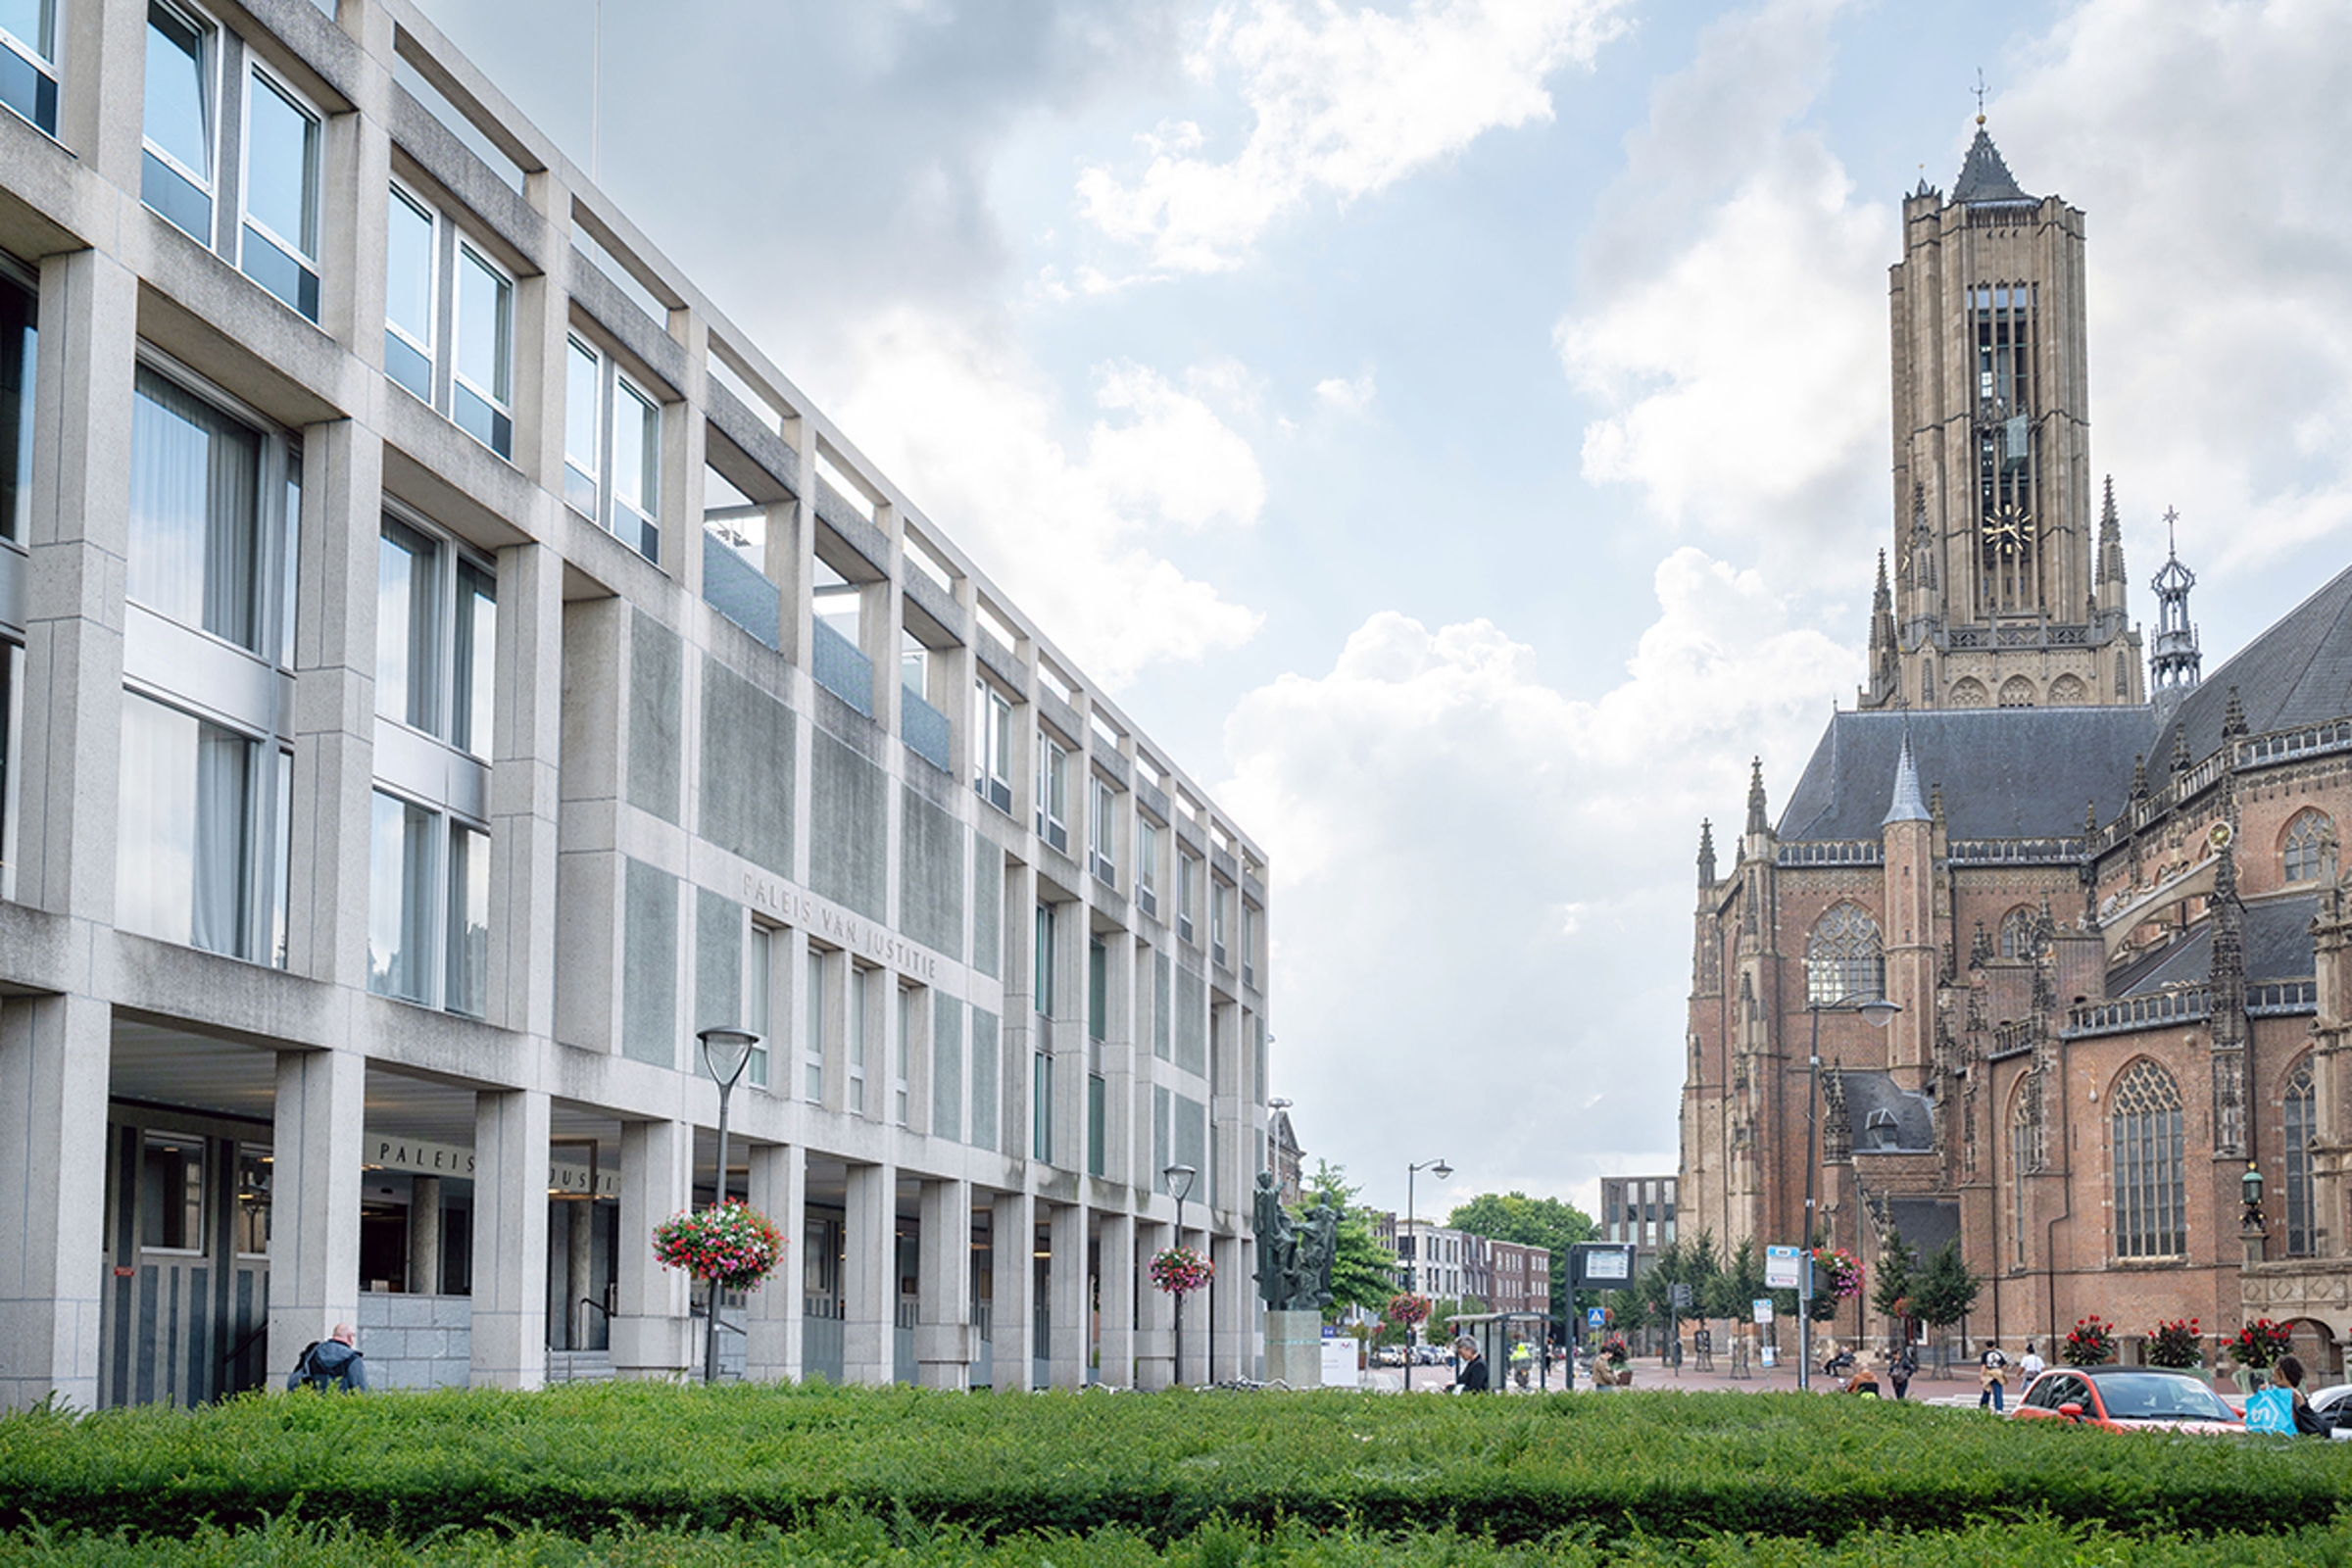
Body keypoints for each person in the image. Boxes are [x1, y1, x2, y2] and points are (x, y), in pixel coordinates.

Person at [287, 1323, 369, 1393]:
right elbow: (362, 1391)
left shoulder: (313, 1353)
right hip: (342, 1405)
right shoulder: (353, 1358)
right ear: (349, 1337)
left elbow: (293, 1384)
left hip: (315, 1404)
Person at [1978, 1341, 2009, 1412]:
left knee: (1986, 1390)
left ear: (1986, 1346)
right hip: (1997, 1373)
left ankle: (1984, 1406)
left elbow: (1983, 1366)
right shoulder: (1998, 1354)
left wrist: (1981, 1376)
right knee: (1998, 1391)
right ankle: (1999, 1408)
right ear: (1994, 1346)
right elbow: (2004, 1365)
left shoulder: (1985, 1354)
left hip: (1988, 1373)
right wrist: (2001, 1371)